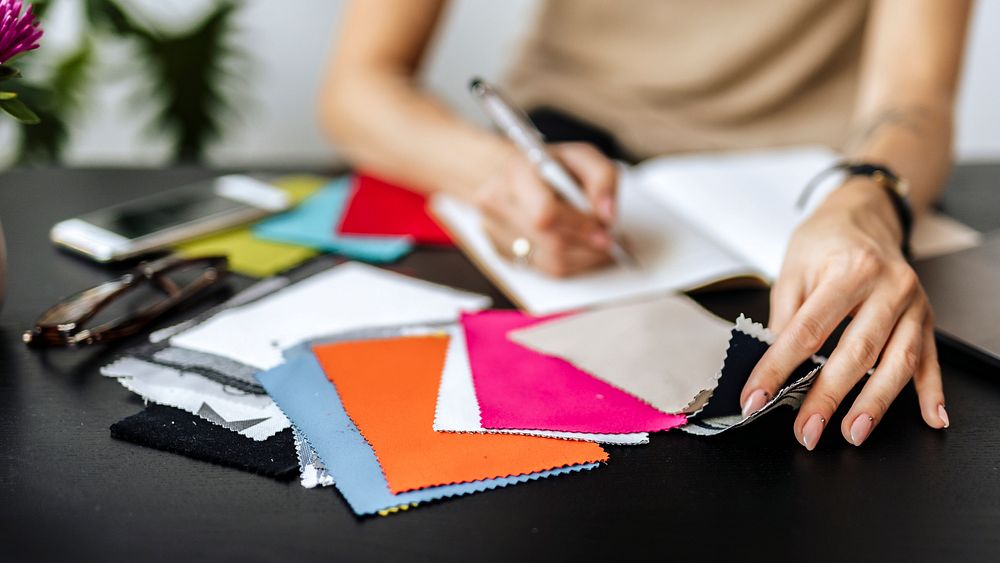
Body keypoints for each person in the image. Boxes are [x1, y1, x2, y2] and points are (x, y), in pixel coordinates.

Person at [317, 0, 971, 450]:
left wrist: (868, 197)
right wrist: (493, 172)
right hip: (563, 175)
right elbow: (358, 88)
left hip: (816, 193)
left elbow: (915, 96)